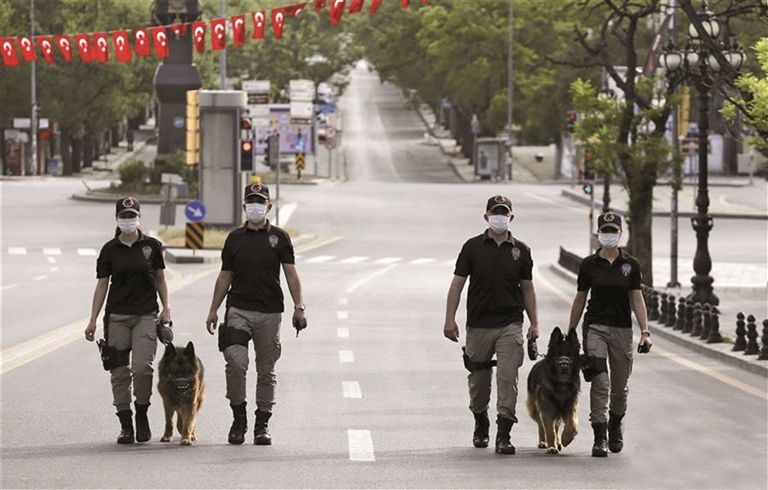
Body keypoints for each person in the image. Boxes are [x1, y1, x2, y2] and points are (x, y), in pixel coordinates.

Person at [205, 183, 308, 446]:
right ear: (244, 207)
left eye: (260, 202)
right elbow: (224, 276)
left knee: (266, 370)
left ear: (269, 207)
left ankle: (262, 424)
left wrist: (299, 306)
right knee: (236, 363)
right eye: (251, 201)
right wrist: (214, 308)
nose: (255, 206)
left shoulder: (280, 238)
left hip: (269, 313)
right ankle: (238, 419)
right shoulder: (234, 239)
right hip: (238, 309)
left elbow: (291, 274)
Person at [444, 195, 539, 455]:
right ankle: (480, 420)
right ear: (486, 216)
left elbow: (528, 289)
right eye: (495, 213)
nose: (500, 217)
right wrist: (449, 318)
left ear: (511, 217)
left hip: (510, 323)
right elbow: (457, 284)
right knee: (478, 382)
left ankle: (504, 434)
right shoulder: (472, 247)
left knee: (508, 378)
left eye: (504, 213)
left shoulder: (522, 250)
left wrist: (534, 324)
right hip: (478, 324)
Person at [84, 196, 171, 444]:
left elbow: (161, 280)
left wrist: (167, 308)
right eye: (124, 216)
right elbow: (102, 286)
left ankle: (141, 415)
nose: (128, 220)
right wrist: (93, 320)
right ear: (116, 219)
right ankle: (125, 424)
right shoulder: (109, 250)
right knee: (119, 372)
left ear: (139, 217)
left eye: (132, 216)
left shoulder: (152, 247)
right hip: (117, 317)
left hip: (146, 315)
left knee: (143, 368)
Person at [567, 211, 652, 458]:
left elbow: (637, 299)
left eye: (613, 231)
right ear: (598, 234)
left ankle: (615, 425)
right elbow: (580, 298)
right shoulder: (588, 265)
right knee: (600, 382)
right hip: (595, 328)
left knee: (619, 388)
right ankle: (599, 436)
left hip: (622, 330)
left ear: (620, 234)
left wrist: (645, 331)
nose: (609, 235)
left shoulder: (631, 265)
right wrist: (571, 332)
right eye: (605, 231)